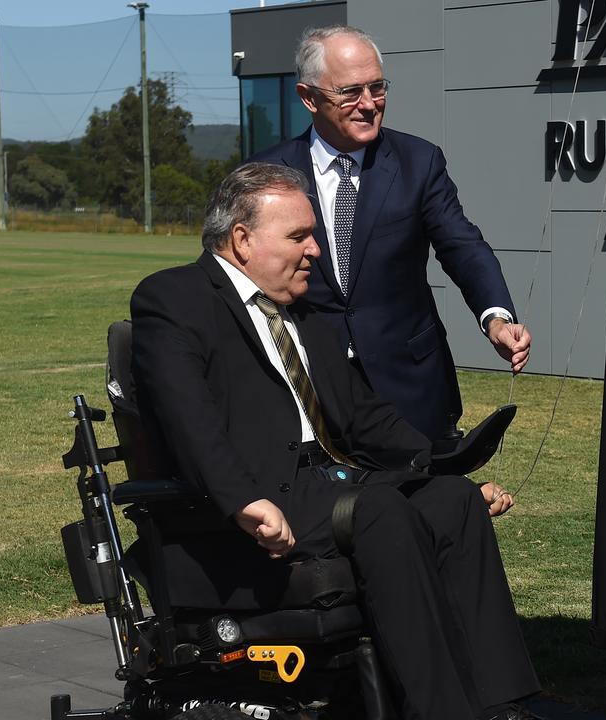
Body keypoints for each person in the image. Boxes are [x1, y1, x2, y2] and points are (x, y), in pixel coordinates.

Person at [130, 163, 541, 720]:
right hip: (260, 495)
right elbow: (189, 419)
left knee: (454, 503)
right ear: (242, 239)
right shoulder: (174, 298)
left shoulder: (305, 313)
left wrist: (441, 465)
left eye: (314, 235)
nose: (315, 250)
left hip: (332, 479)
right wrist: (243, 499)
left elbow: (366, 419)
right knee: (379, 512)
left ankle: (502, 704)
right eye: (298, 236)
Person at [247, 24, 532, 449]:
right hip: (309, 388)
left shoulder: (419, 161)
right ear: (309, 98)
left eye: (377, 87)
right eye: (350, 92)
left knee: (427, 508)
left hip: (410, 386)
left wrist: (496, 317)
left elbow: (462, 244)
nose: (369, 104)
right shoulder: (266, 175)